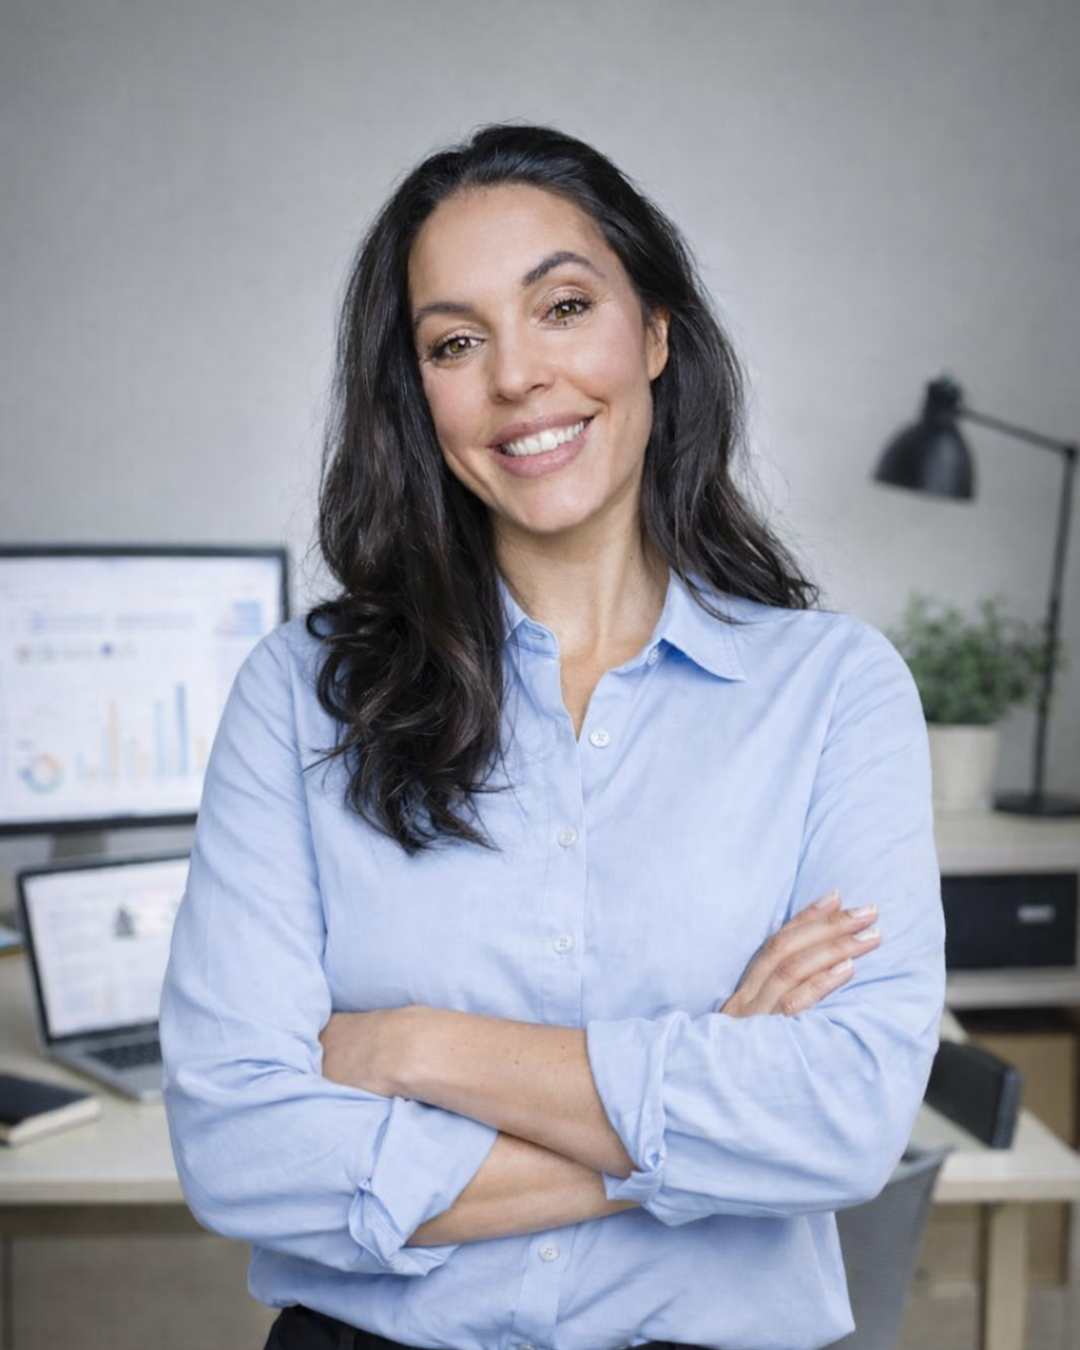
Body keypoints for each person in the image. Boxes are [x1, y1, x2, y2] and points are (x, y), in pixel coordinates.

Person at [160, 123, 945, 1350]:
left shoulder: (834, 691)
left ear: (658, 335)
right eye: (457, 342)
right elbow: (240, 1150)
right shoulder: (304, 692)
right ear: (418, 395)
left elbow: (847, 1120)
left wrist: (418, 1048)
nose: (518, 376)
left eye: (564, 306)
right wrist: (701, 1110)